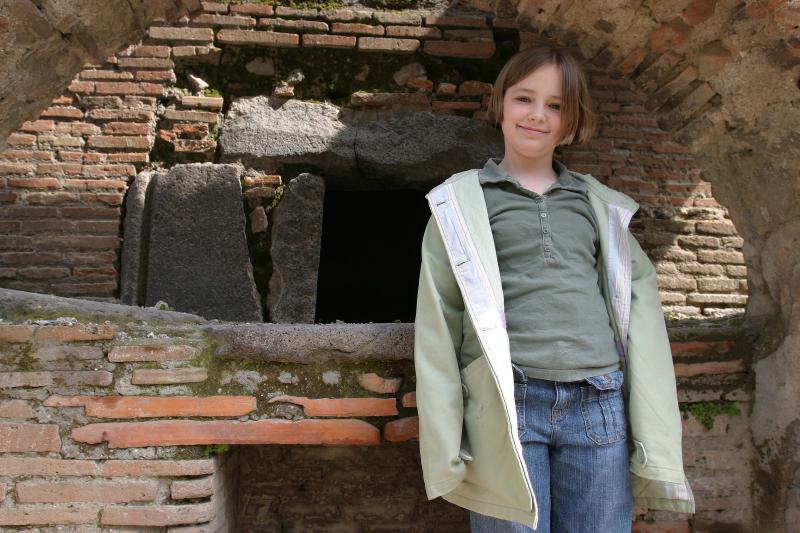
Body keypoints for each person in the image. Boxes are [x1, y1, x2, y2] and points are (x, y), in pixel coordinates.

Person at [413, 43, 695, 533]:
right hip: (509, 406)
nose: (537, 115)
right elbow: (438, 326)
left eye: (556, 105)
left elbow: (641, 318)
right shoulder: (459, 204)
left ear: (571, 121)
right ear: (500, 102)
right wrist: (445, 438)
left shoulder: (598, 206)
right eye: (524, 98)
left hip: (600, 403)